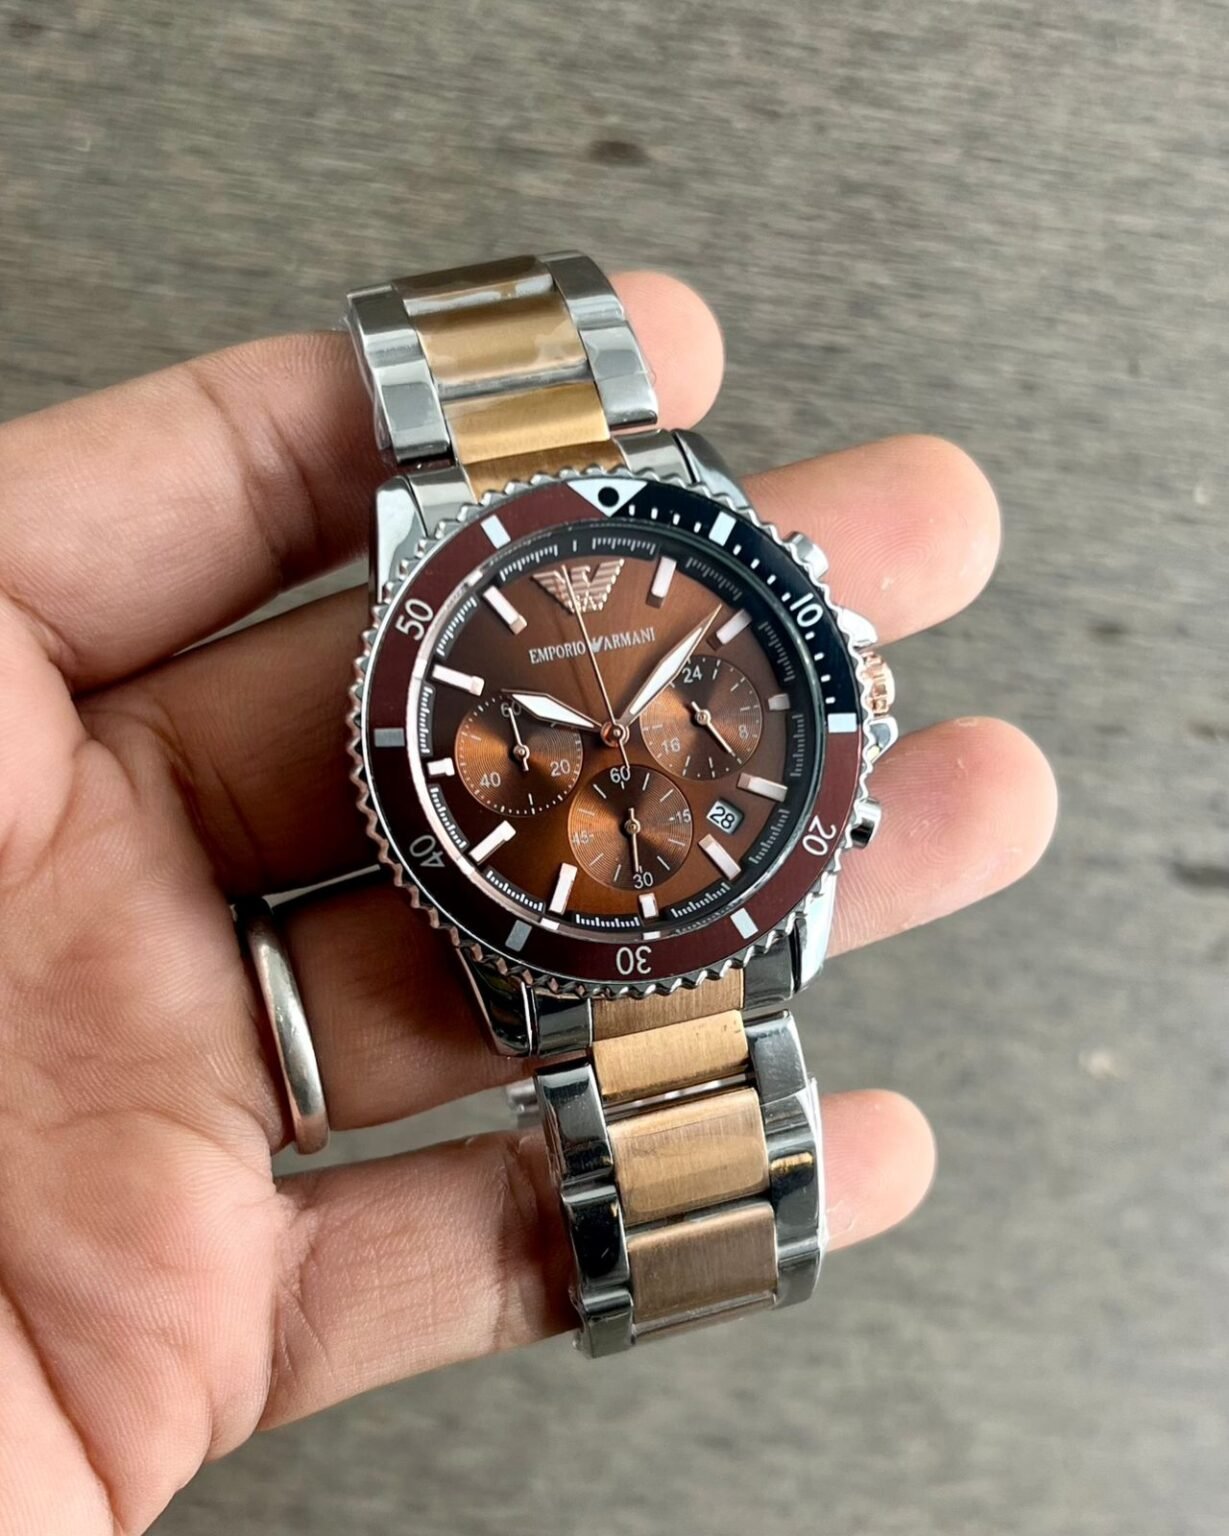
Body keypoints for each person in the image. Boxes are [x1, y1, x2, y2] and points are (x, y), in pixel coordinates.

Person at [0, 270, 1056, 1534]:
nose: (617, 737)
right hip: (552, 911)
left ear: (847, 699)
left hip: (681, 897)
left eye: (669, 706)